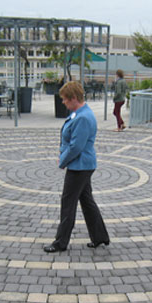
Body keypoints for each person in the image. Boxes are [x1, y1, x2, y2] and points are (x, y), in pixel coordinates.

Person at [43, 81, 110, 253]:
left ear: (74, 98)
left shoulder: (82, 117)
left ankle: (60, 242)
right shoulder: (80, 113)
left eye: (65, 100)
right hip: (82, 165)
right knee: (87, 201)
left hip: (80, 166)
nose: (63, 103)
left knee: (68, 203)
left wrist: (62, 160)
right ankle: (99, 237)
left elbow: (76, 146)